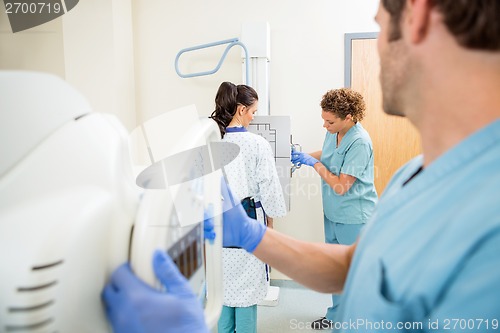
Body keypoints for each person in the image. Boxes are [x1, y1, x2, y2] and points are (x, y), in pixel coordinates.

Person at [102, 0, 500, 332]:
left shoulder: (487, 218)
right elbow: (351, 265)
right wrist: (253, 235)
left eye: (379, 27)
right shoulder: (413, 177)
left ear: (419, 17)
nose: (378, 45)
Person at [291, 88, 377, 329]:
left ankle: (359, 321)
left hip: (354, 217)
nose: (325, 126)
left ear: (348, 117)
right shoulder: (334, 132)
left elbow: (341, 186)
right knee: (336, 270)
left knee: (354, 274)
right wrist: (302, 156)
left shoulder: (360, 142)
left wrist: (314, 164)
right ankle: (336, 316)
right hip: (332, 213)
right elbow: (327, 154)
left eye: (329, 121)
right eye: (324, 120)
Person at [209, 82, 287, 333]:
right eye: (253, 111)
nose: (253, 117)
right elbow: (270, 186)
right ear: (241, 110)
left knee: (221, 289)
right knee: (245, 290)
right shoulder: (256, 144)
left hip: (217, 225)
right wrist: (272, 221)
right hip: (248, 221)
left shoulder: (211, 141)